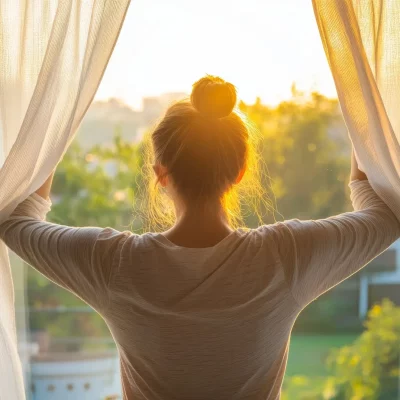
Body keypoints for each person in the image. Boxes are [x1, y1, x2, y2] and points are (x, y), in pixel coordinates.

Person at [1, 75, 399, 400]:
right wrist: (362, 94)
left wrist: (53, 118)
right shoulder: (285, 258)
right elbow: (384, 215)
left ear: (160, 175)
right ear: (241, 170)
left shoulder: (115, 265)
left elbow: (16, 221)